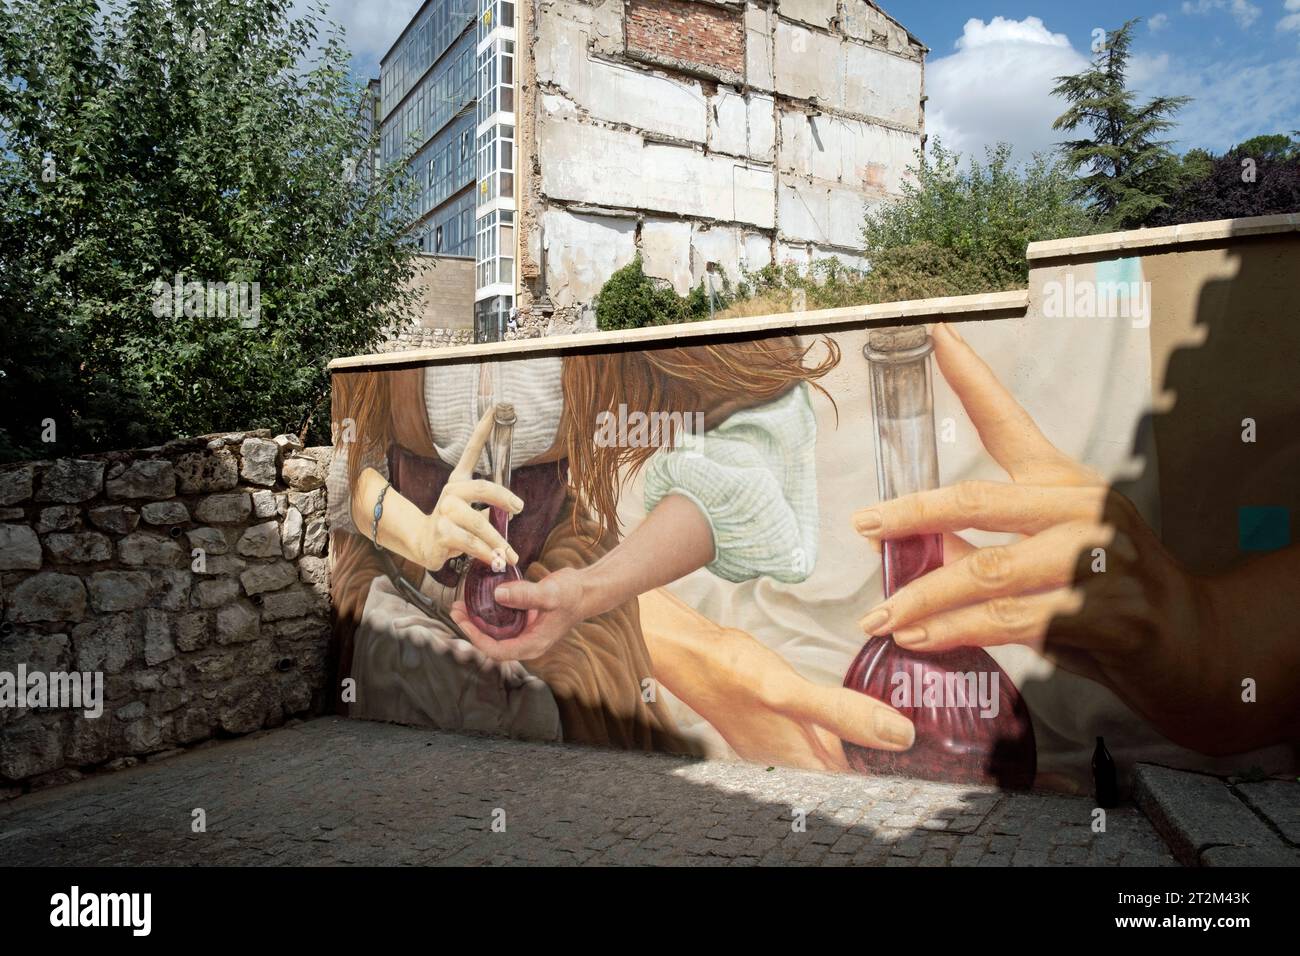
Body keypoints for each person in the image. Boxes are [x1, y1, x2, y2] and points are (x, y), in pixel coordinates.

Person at [328, 338, 916, 769]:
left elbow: (762, 419)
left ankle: (739, 677)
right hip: (398, 585)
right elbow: (349, 473)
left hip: (558, 596)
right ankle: (735, 674)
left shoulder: (610, 341)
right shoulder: (396, 336)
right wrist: (421, 534)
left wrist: (591, 591)